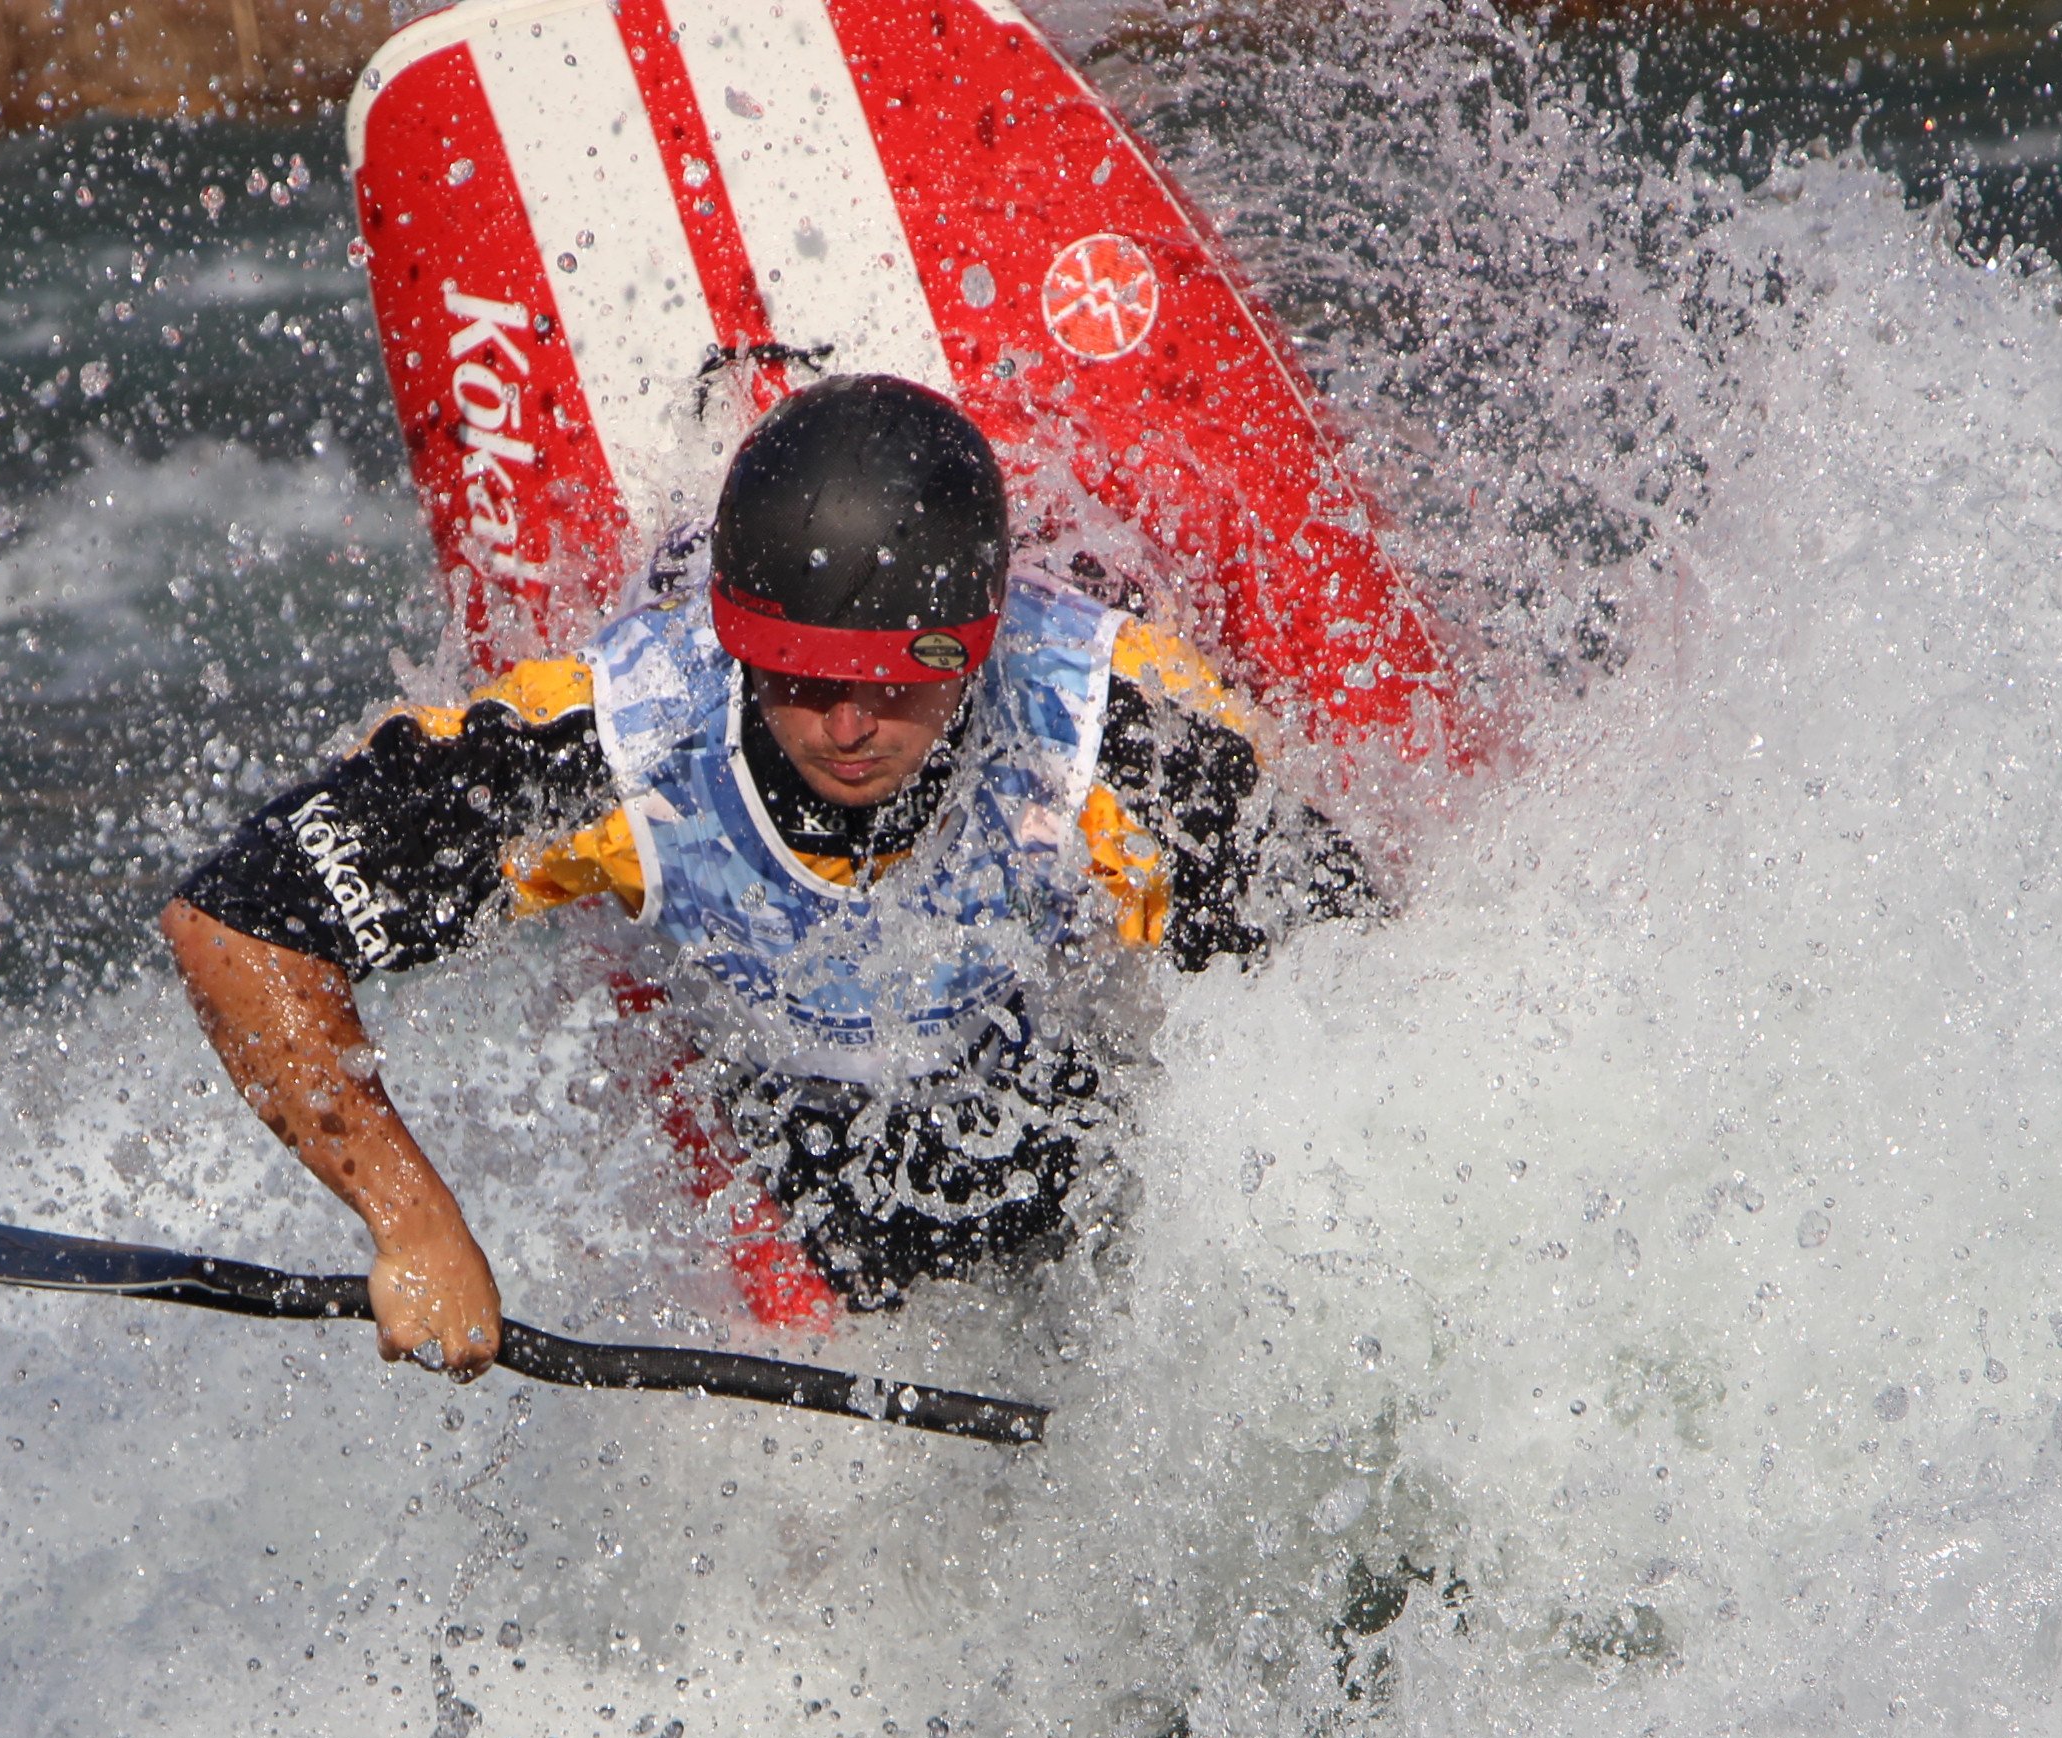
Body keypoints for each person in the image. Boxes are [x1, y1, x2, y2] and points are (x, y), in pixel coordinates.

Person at [160, 374, 1376, 1377]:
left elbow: (1367, 1009)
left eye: (895, 684)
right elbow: (236, 923)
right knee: (875, 1241)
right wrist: (411, 1220)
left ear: (980, 646)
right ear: (740, 642)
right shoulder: (612, 744)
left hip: (1032, 1019)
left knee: (1083, 1196)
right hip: (788, 1058)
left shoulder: (1127, 743)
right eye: (801, 679)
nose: (849, 729)